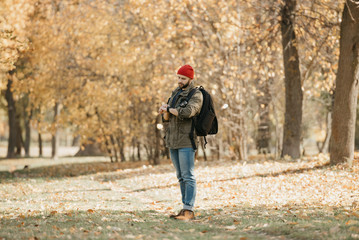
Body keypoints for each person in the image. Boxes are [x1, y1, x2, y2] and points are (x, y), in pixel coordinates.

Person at [158, 64, 203, 220]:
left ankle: (189, 210)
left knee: (188, 175)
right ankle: (184, 209)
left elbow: (188, 112)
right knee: (180, 176)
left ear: (190, 78)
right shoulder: (176, 93)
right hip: (173, 141)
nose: (179, 80)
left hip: (187, 140)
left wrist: (169, 109)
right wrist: (165, 111)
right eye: (178, 77)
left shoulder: (196, 94)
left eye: (183, 78)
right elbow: (167, 120)